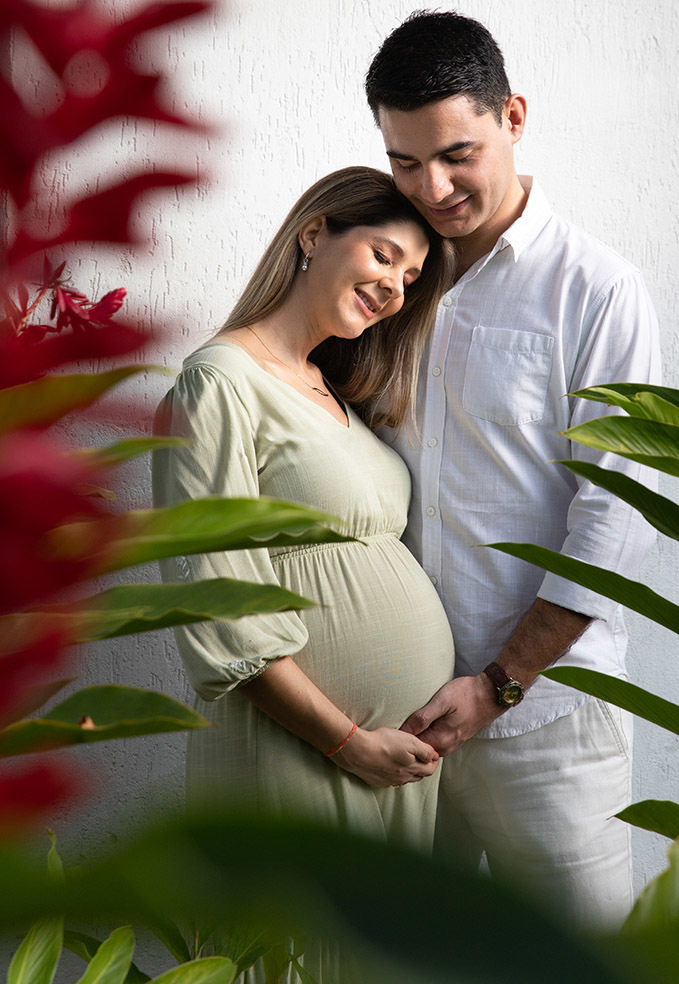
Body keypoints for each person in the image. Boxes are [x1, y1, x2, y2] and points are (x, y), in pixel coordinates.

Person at [364, 11, 661, 926]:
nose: (435, 186)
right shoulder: (386, 277)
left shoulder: (597, 290)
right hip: (403, 716)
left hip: (549, 719)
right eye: (405, 162)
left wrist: (499, 683)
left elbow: (613, 518)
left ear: (514, 116)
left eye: (457, 153)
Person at [152, 166, 456, 981]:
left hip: (388, 768)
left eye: (412, 277)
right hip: (303, 747)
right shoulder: (217, 382)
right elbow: (219, 611)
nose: (395, 286)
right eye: (384, 255)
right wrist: (350, 742)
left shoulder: (338, 392)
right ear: (314, 233)